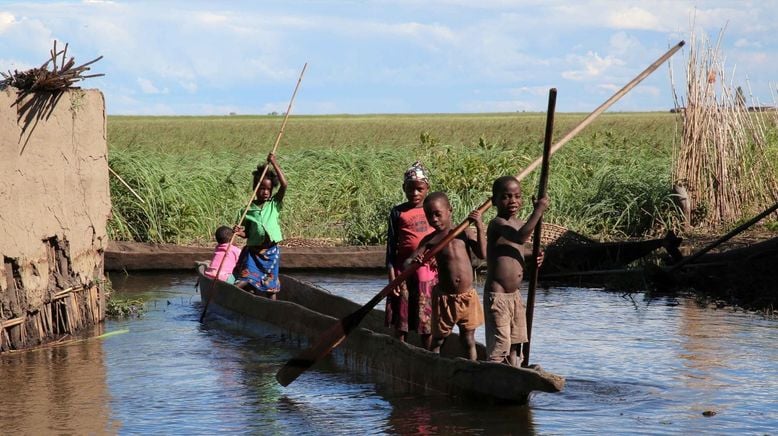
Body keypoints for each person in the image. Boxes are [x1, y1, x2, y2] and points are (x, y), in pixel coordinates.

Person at [408, 192, 486, 360]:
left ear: (449, 210)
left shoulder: (464, 233)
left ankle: (471, 368)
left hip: (467, 297)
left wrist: (479, 226)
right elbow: (408, 263)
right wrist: (416, 260)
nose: (434, 219)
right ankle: (434, 366)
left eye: (438, 214)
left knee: (468, 339)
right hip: (445, 298)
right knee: (438, 339)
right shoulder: (430, 240)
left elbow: (482, 254)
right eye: (429, 216)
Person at [483, 175, 548, 367]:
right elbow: (519, 239)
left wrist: (535, 255)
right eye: (506, 196)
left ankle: (514, 370)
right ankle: (495, 373)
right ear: (494, 200)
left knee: (516, 342)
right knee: (500, 344)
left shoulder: (520, 223)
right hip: (499, 295)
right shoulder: (497, 224)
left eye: (517, 196)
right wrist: (539, 210)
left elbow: (519, 249)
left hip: (515, 296)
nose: (513, 201)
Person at [385, 162, 436, 349]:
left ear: (427, 188)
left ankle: (428, 353)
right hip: (403, 269)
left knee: (426, 317)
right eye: (410, 189)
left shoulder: (433, 210)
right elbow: (391, 247)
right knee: (402, 314)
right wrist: (392, 276)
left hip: (427, 270)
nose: (414, 193)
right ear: (403, 189)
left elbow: (442, 236)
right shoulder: (398, 212)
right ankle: (400, 349)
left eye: (419, 189)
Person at [233, 153, 288, 300]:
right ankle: (231, 295)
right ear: (255, 189)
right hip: (254, 253)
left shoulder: (274, 204)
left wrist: (274, 163)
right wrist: (240, 233)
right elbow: (248, 234)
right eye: (261, 188)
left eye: (268, 189)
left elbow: (284, 184)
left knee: (271, 287)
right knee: (245, 279)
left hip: (271, 252)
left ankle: (272, 308)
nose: (265, 192)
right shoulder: (248, 210)